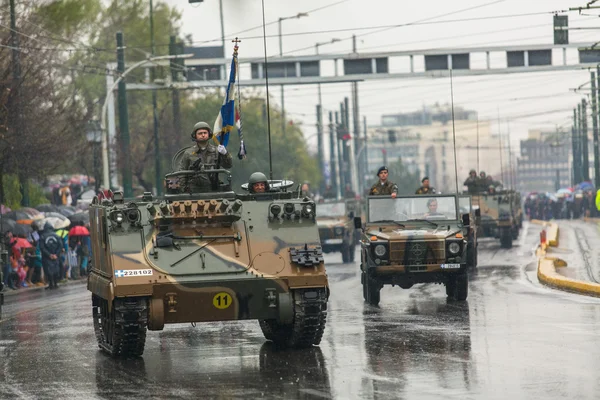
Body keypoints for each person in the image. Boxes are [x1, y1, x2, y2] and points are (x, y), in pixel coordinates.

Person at [178, 121, 233, 192]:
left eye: (205, 133)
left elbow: (228, 165)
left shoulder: (216, 151)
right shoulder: (188, 153)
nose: (203, 135)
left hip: (213, 189)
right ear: (195, 135)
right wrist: (183, 189)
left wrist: (225, 154)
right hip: (193, 191)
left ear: (209, 134)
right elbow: (182, 172)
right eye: (200, 133)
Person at [39, 222, 62, 290]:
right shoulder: (57, 235)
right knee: (55, 269)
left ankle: (51, 284)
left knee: (48, 270)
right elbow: (60, 246)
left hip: (47, 257)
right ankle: (55, 283)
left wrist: (49, 255)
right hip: (55, 256)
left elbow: (42, 247)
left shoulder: (43, 236)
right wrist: (56, 254)